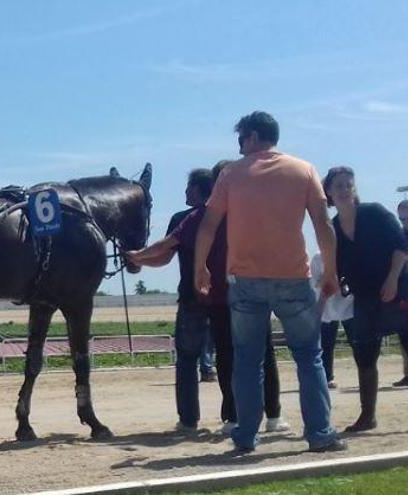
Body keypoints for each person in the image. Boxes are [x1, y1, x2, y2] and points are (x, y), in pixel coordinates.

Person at [195, 111, 344, 453]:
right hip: (293, 276)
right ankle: (320, 434)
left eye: (241, 139)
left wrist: (200, 266)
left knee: (247, 360)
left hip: (245, 279)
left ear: (252, 137)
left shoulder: (231, 173)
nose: (240, 146)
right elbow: (323, 224)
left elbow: (209, 224)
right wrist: (331, 272)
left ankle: (246, 435)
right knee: (309, 356)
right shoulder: (304, 170)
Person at [127, 161, 288, 434]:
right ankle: (270, 415)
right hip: (245, 294)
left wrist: (137, 256)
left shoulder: (190, 218)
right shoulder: (251, 213)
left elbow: (164, 251)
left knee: (208, 358)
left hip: (204, 297)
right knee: (260, 353)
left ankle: (203, 419)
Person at [323, 167, 408, 432]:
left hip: (400, 290)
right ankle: (367, 416)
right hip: (365, 298)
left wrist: (393, 277)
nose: (345, 189)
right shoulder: (333, 228)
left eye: (349, 184)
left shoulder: (375, 213)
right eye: (339, 186)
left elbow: (401, 246)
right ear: (329, 192)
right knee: (364, 355)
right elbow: (334, 269)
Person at [310, 252, 354, 390]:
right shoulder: (318, 258)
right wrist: (328, 278)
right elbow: (314, 282)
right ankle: (327, 377)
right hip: (326, 306)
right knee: (326, 344)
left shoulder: (349, 254)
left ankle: (364, 371)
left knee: (357, 342)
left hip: (348, 304)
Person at [394, 199, 408, 388]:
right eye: (401, 217)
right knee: (404, 335)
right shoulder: (399, 236)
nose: (403, 220)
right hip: (403, 290)